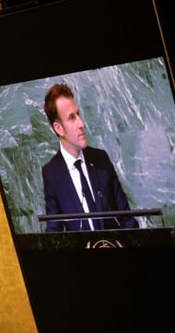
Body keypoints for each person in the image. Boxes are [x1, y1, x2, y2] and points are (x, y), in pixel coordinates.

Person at [41, 84, 137, 233]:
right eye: (72, 118)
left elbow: (127, 218)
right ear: (59, 128)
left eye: (78, 114)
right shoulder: (52, 173)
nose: (81, 124)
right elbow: (54, 231)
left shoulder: (101, 159)